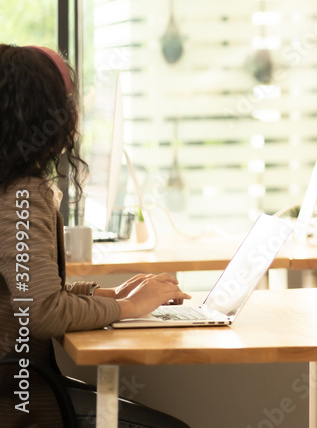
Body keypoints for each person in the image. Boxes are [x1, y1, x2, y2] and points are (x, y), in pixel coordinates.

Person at [0, 44, 191, 428]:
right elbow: (40, 311)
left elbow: (25, 291)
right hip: (19, 401)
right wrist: (130, 309)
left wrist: (108, 295)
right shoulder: (22, 195)